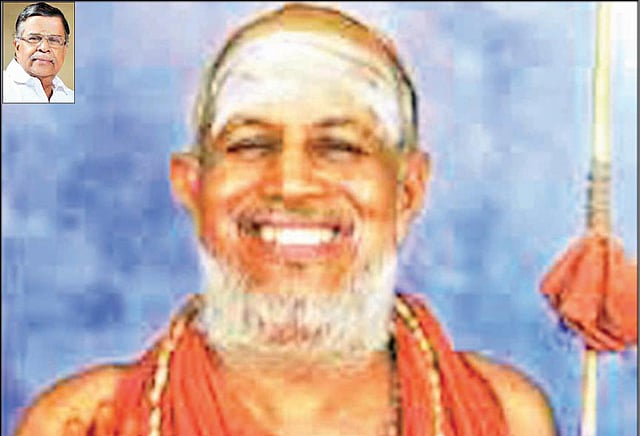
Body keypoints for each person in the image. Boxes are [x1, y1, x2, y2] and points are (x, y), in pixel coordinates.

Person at [15, 4, 558, 435]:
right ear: (192, 186)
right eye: (251, 144)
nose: (290, 184)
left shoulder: (503, 417)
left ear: (408, 191)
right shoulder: (85, 422)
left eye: (339, 147)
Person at [3, 2, 74, 103]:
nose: (44, 48)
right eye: (34, 38)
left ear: (64, 49)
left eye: (54, 40)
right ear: (17, 46)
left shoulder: (72, 97)